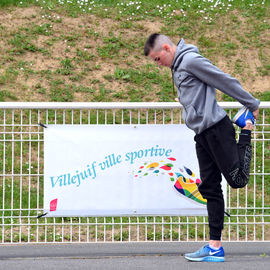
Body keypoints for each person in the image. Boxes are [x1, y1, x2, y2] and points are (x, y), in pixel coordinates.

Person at [144, 33, 260, 262]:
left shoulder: (190, 61)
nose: (158, 65)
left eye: (157, 59)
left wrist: (252, 103)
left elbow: (223, 80)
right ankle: (214, 247)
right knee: (210, 188)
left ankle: (246, 129)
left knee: (237, 180)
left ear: (167, 48)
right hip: (202, 134)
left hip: (217, 129)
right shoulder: (177, 67)